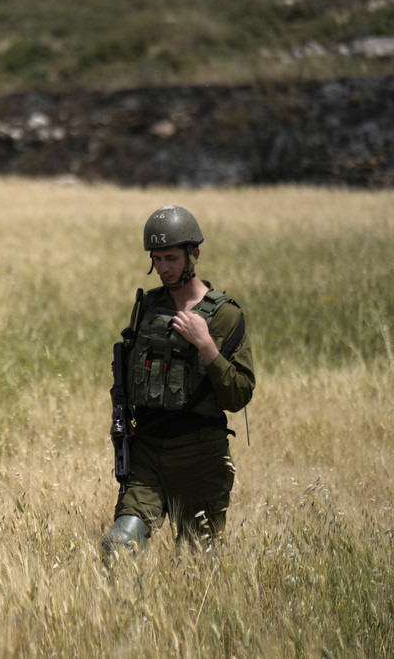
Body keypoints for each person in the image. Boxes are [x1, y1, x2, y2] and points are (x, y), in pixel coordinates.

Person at [102, 205, 255, 554]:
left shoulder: (225, 315)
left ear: (194, 254)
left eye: (170, 258)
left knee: (197, 562)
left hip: (199, 451)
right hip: (147, 448)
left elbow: (239, 394)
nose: (163, 268)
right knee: (119, 544)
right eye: (156, 259)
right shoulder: (150, 305)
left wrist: (205, 344)